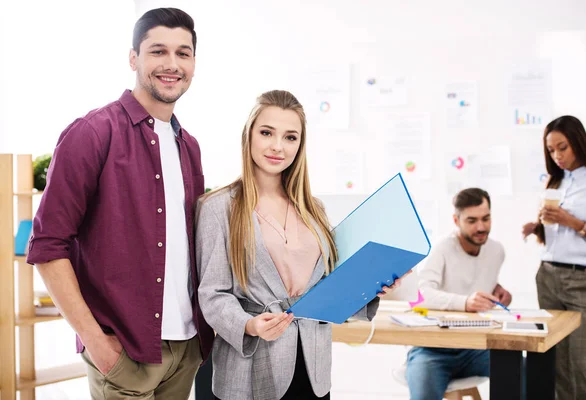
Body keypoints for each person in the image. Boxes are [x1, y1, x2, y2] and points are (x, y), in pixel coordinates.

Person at [26, 8, 213, 399]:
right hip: (124, 353)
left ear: (194, 62)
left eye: (183, 53)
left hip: (186, 350)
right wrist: (95, 341)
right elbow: (47, 247)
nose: (172, 64)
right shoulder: (92, 133)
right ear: (134, 58)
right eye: (158, 51)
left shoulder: (188, 146)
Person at [195, 90, 405, 400]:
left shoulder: (313, 210)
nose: (278, 146)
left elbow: (329, 288)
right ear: (249, 135)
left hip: (313, 369)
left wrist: (371, 286)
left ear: (300, 145)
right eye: (267, 132)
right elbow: (212, 294)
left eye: (290, 137)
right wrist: (249, 325)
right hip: (251, 371)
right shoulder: (218, 208)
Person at [404, 188, 511, 400]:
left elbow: (473, 277)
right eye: (471, 220)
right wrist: (466, 302)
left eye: (486, 218)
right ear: (456, 220)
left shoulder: (496, 251)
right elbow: (421, 296)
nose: (481, 227)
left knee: (521, 375)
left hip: (475, 348)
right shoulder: (441, 248)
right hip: (431, 349)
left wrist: (498, 293)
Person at [522, 115, 586, 400]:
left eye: (562, 147)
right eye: (551, 150)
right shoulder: (555, 181)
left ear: (578, 142)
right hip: (548, 276)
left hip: (582, 280)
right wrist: (537, 227)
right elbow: (554, 234)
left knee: (581, 363)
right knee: (556, 362)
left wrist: (571, 221)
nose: (557, 156)